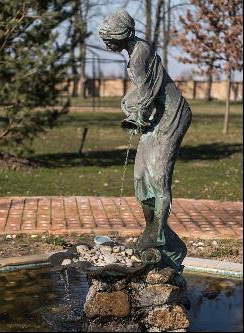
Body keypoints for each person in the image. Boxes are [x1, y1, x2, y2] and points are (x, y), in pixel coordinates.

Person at [99, 9, 192, 272]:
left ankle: (159, 236)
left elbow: (149, 92)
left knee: (159, 175)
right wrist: (129, 103)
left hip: (172, 117)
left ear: (124, 34)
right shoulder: (135, 52)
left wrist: (136, 113)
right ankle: (158, 233)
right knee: (141, 177)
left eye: (110, 39)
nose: (107, 44)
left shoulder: (140, 54)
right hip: (155, 119)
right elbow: (144, 91)